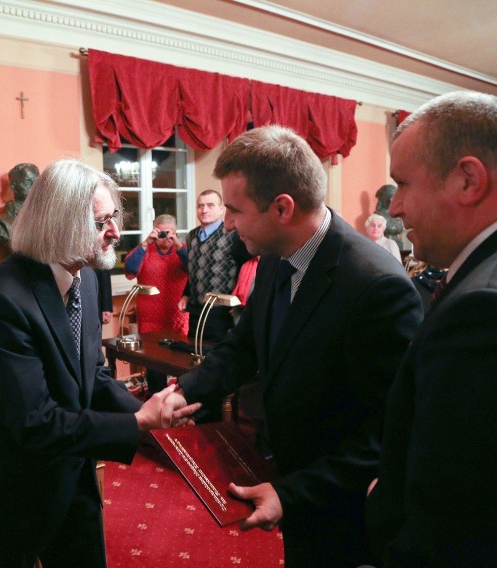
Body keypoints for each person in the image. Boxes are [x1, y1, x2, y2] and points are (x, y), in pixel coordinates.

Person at [162, 125, 423, 567]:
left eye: (234, 210)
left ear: (282, 207)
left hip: (344, 505)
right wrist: (185, 390)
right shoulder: (274, 254)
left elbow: (389, 430)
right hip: (289, 476)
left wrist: (292, 492)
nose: (226, 224)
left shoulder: (376, 286)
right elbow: (246, 344)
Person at [0, 158, 199, 568]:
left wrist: (150, 414)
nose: (115, 232)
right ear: (58, 225)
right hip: (7, 494)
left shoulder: (87, 276)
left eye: (113, 216)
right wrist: (136, 424)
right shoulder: (1, 298)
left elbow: (91, 376)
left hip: (71, 478)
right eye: (100, 223)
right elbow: (35, 421)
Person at [365, 91, 497, 567]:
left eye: (402, 184)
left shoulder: (489, 312)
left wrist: (386, 503)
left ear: (468, 180)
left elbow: (460, 531)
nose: (395, 207)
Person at [124, 214, 189, 393]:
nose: (164, 238)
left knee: (182, 361)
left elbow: (193, 268)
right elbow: (130, 269)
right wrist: (146, 242)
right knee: (153, 363)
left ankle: (182, 400)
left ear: (175, 232)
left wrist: (176, 244)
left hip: (177, 316)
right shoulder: (145, 250)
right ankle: (155, 401)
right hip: (150, 318)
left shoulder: (183, 249)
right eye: (161, 233)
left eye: (168, 233)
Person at [179, 189, 250, 343]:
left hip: (222, 314)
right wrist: (185, 294)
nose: (204, 210)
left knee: (217, 359)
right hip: (196, 311)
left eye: (210, 205)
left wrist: (241, 299)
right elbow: (194, 270)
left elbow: (248, 270)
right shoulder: (191, 236)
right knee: (193, 355)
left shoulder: (234, 235)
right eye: (200, 206)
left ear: (221, 209)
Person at [0, 162, 40, 250]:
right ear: (14, 187)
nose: (34, 186)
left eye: (37, 181)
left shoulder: (51, 212)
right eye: (28, 182)